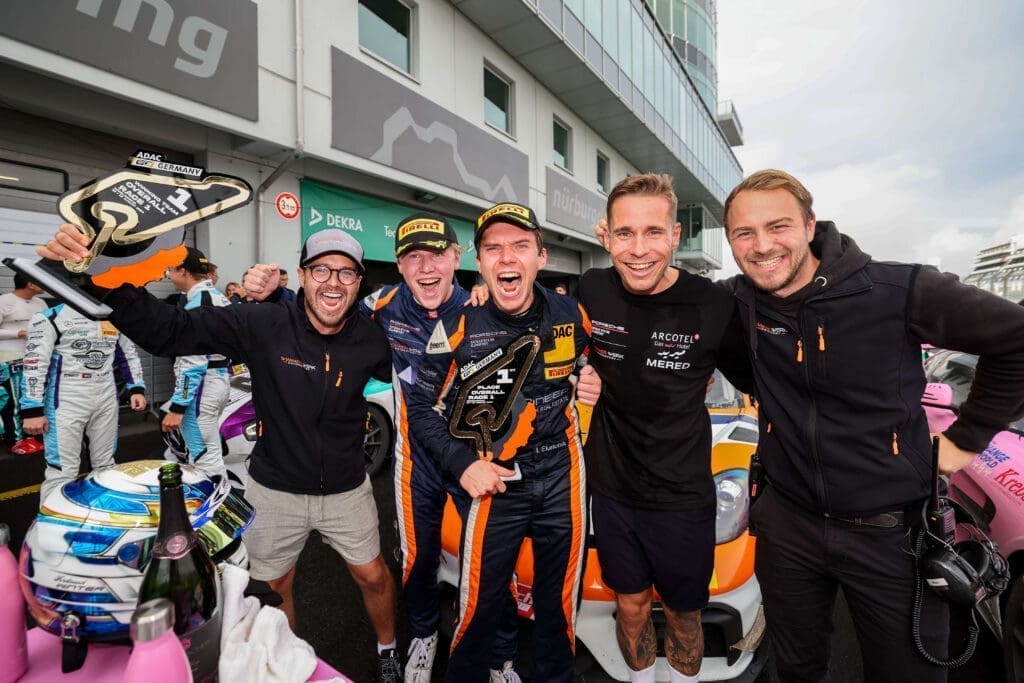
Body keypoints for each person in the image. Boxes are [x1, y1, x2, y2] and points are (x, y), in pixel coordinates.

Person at [39, 226, 403, 682]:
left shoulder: (372, 339)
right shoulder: (263, 323)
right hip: (275, 489)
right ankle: (287, 663)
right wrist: (103, 276)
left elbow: (423, 360)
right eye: (322, 270)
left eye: (347, 273)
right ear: (303, 276)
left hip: (348, 490)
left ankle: (388, 649)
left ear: (358, 282)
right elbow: (170, 331)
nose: (334, 281)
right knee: (273, 589)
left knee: (374, 576)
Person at [721, 169, 1024, 682]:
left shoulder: (898, 289)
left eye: (778, 226)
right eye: (743, 233)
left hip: (892, 533)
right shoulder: (738, 301)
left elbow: (1015, 339)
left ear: (810, 225)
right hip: (787, 524)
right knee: (795, 670)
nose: (762, 245)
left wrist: (966, 439)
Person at [408, 202, 600, 682]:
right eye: (493, 248)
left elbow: (598, 358)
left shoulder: (572, 312)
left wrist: (594, 373)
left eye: (520, 246)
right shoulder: (457, 325)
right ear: (479, 262)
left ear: (541, 256)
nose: (507, 257)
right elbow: (420, 409)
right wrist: (462, 464)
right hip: (494, 479)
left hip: (562, 473)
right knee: (478, 604)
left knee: (559, 606)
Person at [583, 173, 751, 683]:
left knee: (684, 614)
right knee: (631, 606)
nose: (639, 250)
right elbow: (535, 326)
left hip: (683, 496)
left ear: (675, 236)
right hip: (612, 490)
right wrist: (478, 294)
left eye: (653, 232)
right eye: (625, 233)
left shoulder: (713, 304)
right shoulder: (590, 290)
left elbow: (762, 380)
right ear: (606, 236)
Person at [20, 303, 147, 503]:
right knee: (62, 470)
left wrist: (136, 388)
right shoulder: (49, 318)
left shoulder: (114, 316)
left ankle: (102, 514)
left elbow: (128, 354)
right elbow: (35, 364)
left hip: (106, 393)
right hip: (66, 397)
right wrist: (32, 409)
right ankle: (53, 519)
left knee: (105, 465)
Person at [162, 247, 232, 480]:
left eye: (170, 270)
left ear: (183, 271)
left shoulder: (197, 306)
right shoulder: (220, 297)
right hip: (219, 380)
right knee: (208, 454)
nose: (168, 276)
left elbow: (192, 363)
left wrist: (177, 407)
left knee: (204, 460)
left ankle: (216, 501)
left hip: (203, 387)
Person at [0, 273, 47, 453]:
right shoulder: (4, 301)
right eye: (40, 280)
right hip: (8, 360)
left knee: (35, 399)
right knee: (12, 402)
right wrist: (18, 333)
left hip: (36, 359)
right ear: (30, 284)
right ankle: (15, 441)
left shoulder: (41, 303)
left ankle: (34, 437)